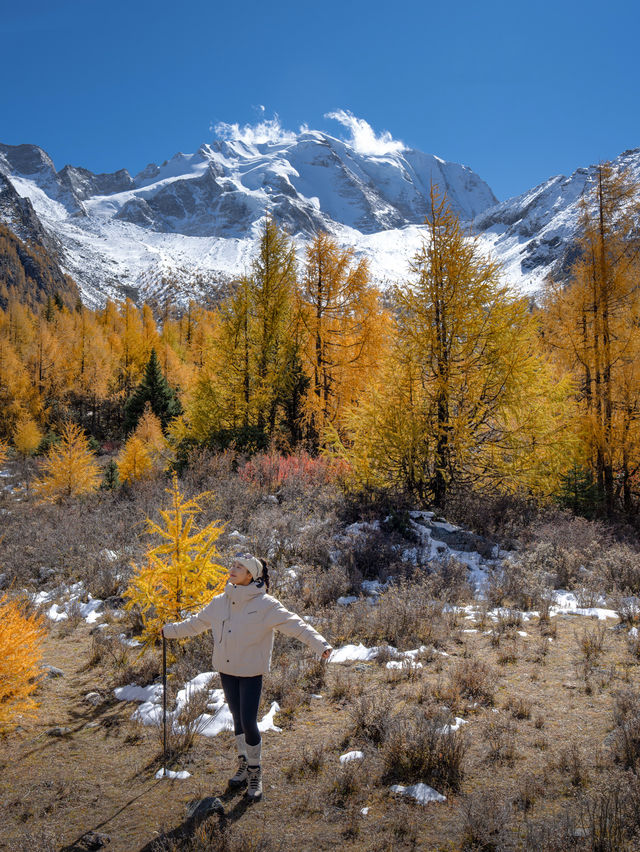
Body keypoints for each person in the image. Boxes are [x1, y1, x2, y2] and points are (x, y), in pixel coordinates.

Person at [162, 553, 332, 802]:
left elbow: (297, 625)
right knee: (237, 718)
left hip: (251, 672)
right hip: (226, 670)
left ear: (251, 575)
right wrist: (168, 631)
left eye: (239, 567)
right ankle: (243, 765)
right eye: (232, 564)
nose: (232, 568)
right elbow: (195, 624)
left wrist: (321, 645)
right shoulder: (219, 602)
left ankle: (255, 772)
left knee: (250, 721)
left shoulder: (266, 605)